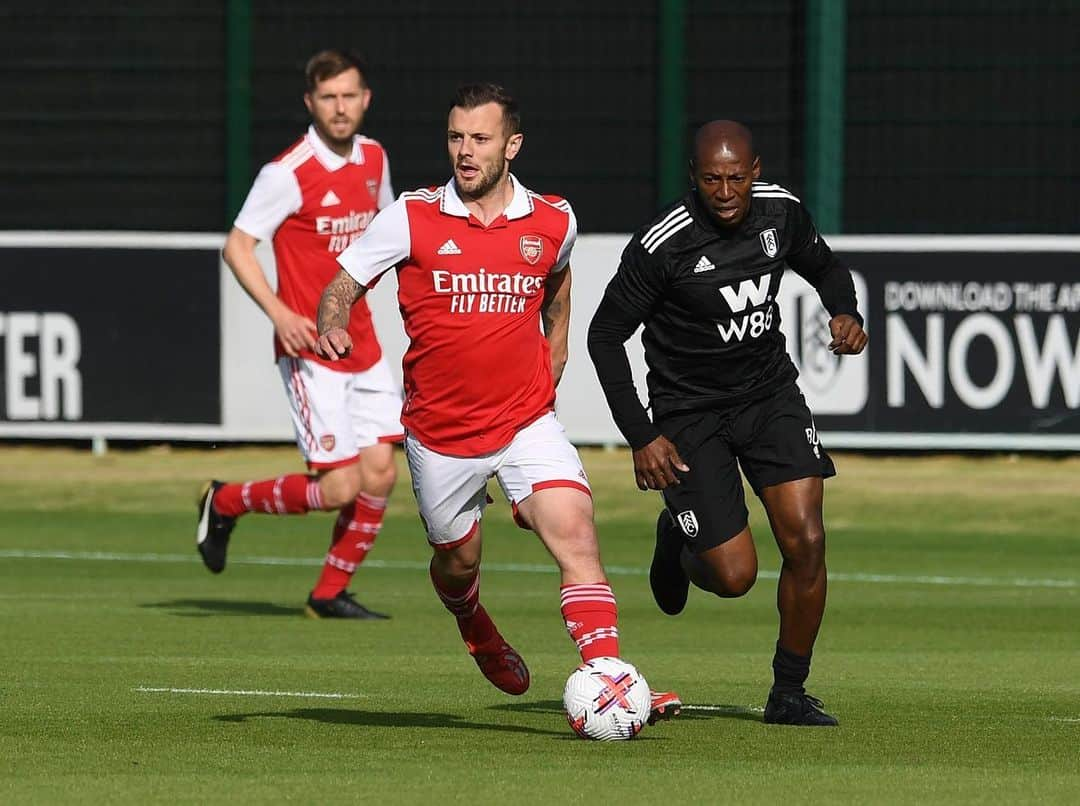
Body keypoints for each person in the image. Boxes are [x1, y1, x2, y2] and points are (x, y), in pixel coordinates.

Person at [313, 82, 680, 721]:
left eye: (479, 139)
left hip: (525, 420)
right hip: (441, 432)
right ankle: (473, 622)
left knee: (577, 537)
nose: (464, 150)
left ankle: (609, 678)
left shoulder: (554, 219)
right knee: (458, 563)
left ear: (511, 145)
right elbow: (340, 286)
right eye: (456, 137)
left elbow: (559, 286)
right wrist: (333, 320)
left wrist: (555, 353)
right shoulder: (412, 215)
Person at [587, 120, 868, 726]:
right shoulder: (662, 245)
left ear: (755, 170)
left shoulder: (781, 214)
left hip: (770, 397)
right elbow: (605, 336)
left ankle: (788, 692)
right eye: (712, 178)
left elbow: (826, 268)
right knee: (735, 576)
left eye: (736, 177)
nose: (725, 190)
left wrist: (844, 311)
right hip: (689, 415)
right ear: (694, 177)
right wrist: (641, 436)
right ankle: (679, 539)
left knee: (808, 540)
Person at [195, 49, 402, 620]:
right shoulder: (286, 173)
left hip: (364, 343)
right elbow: (237, 247)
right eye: (329, 97)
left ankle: (329, 594)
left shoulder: (376, 158)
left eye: (349, 95)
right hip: (310, 349)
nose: (341, 107)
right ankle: (227, 499)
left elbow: (386, 235)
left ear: (366, 99)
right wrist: (280, 313)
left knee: (381, 473)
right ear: (311, 103)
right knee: (338, 489)